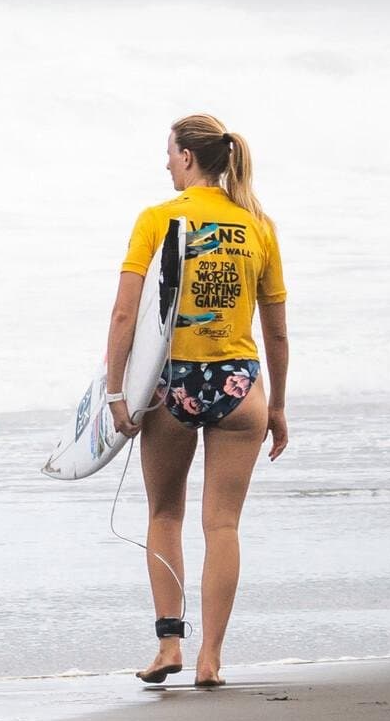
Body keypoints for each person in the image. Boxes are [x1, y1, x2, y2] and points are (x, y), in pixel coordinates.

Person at [101, 113, 289, 688]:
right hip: (239, 387)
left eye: (169, 153)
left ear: (187, 158)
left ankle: (168, 647)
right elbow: (277, 331)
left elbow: (127, 314)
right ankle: (211, 657)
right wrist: (277, 407)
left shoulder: (157, 220)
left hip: (172, 387)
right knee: (223, 525)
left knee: (165, 515)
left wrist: (115, 393)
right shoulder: (257, 225)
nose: (165, 163)